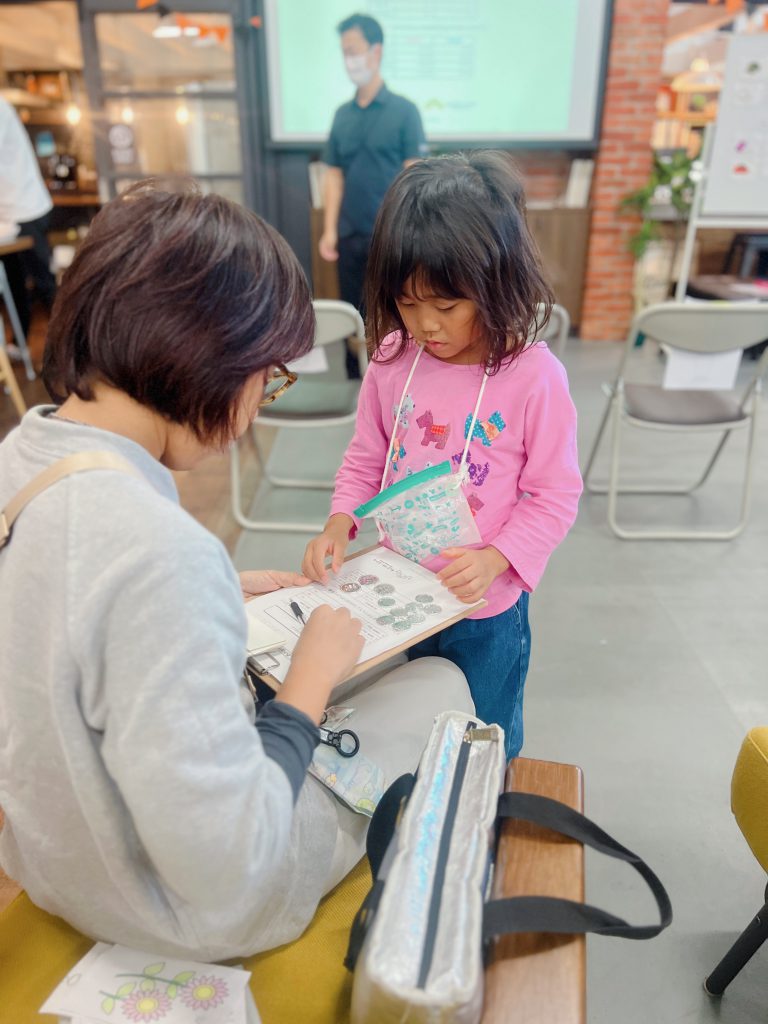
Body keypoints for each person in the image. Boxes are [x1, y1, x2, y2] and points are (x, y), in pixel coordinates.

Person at [0, 180, 473, 960]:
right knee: (437, 685)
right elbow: (228, 862)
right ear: (210, 359)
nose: (259, 406)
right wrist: (308, 687)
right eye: (267, 378)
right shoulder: (159, 554)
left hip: (57, 861)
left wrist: (215, 587)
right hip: (181, 911)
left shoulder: (23, 452)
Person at [304, 152, 583, 761]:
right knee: (412, 729)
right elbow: (365, 455)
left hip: (485, 607)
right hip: (399, 591)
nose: (427, 324)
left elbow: (555, 494)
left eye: (448, 305)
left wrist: (495, 559)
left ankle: (483, 819)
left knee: (485, 735)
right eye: (407, 303)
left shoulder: (534, 377)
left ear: (497, 280)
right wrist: (340, 520)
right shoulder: (391, 360)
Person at [320, 13, 427, 377]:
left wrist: (412, 232)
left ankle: (396, 378)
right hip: (350, 235)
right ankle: (357, 380)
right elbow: (333, 175)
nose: (349, 59)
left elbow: (414, 176)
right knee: (354, 312)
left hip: (392, 236)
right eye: (344, 52)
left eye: (354, 50)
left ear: (375, 51)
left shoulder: (404, 112)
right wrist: (330, 230)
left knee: (395, 310)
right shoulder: (341, 116)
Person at [0, 96, 57, 343]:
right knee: (14, 283)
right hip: (7, 214)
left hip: (26, 207)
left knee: (43, 282)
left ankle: (74, 348)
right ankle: (20, 341)